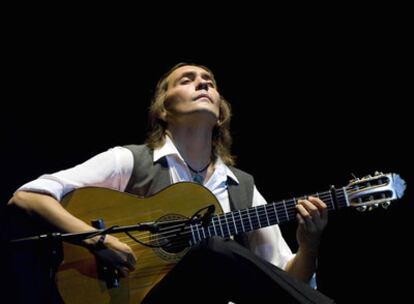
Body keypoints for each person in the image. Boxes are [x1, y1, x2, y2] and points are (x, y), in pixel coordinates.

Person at [7, 63, 334, 303]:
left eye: (209, 81)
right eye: (188, 80)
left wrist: (309, 246)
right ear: (163, 108)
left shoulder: (242, 187)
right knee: (211, 246)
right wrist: (97, 241)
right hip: (138, 297)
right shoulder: (131, 160)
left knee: (218, 252)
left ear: (220, 113)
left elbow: (285, 284)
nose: (202, 84)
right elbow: (28, 196)